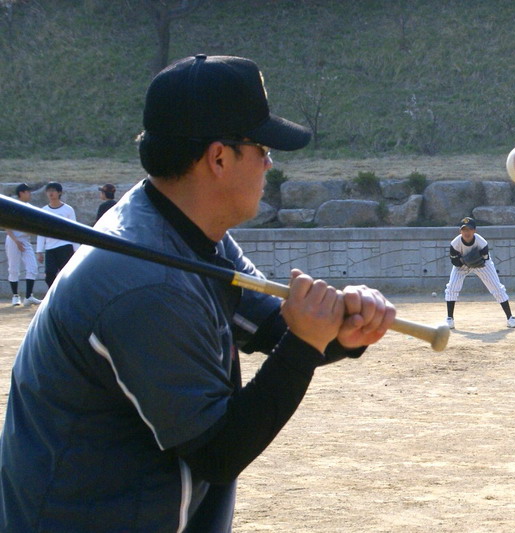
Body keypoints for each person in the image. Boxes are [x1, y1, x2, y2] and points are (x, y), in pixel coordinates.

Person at [0, 54, 396, 532]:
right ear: (219, 157)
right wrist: (307, 342)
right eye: (263, 148)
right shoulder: (145, 285)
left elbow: (271, 326)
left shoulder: (179, 225)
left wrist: (339, 332)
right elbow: (217, 451)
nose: (270, 163)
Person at [444, 216, 515, 329]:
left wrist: (471, 260)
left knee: (497, 288)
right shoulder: (455, 244)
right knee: (452, 287)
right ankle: (450, 319)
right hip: (462, 264)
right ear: (460, 231)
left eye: (469, 229)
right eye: (464, 230)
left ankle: (510, 318)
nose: (466, 232)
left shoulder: (482, 243)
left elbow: (483, 259)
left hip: (481, 264)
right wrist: (464, 261)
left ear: (474, 230)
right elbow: (455, 262)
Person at [3, 183, 42, 307]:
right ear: (21, 193)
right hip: (13, 240)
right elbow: (6, 226)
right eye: (27, 192)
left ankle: (29, 296)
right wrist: (16, 240)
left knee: (32, 267)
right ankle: (15, 296)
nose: (29, 194)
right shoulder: (12, 206)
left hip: (25, 240)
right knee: (13, 268)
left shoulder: (30, 208)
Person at [35, 181, 79, 287]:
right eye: (48, 191)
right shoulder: (44, 210)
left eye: (53, 191)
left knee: (67, 274)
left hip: (65, 246)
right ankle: (53, 295)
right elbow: (41, 231)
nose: (51, 194)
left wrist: (76, 249)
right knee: (49, 275)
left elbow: (74, 230)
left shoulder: (68, 210)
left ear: (59, 193)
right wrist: (39, 251)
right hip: (50, 248)